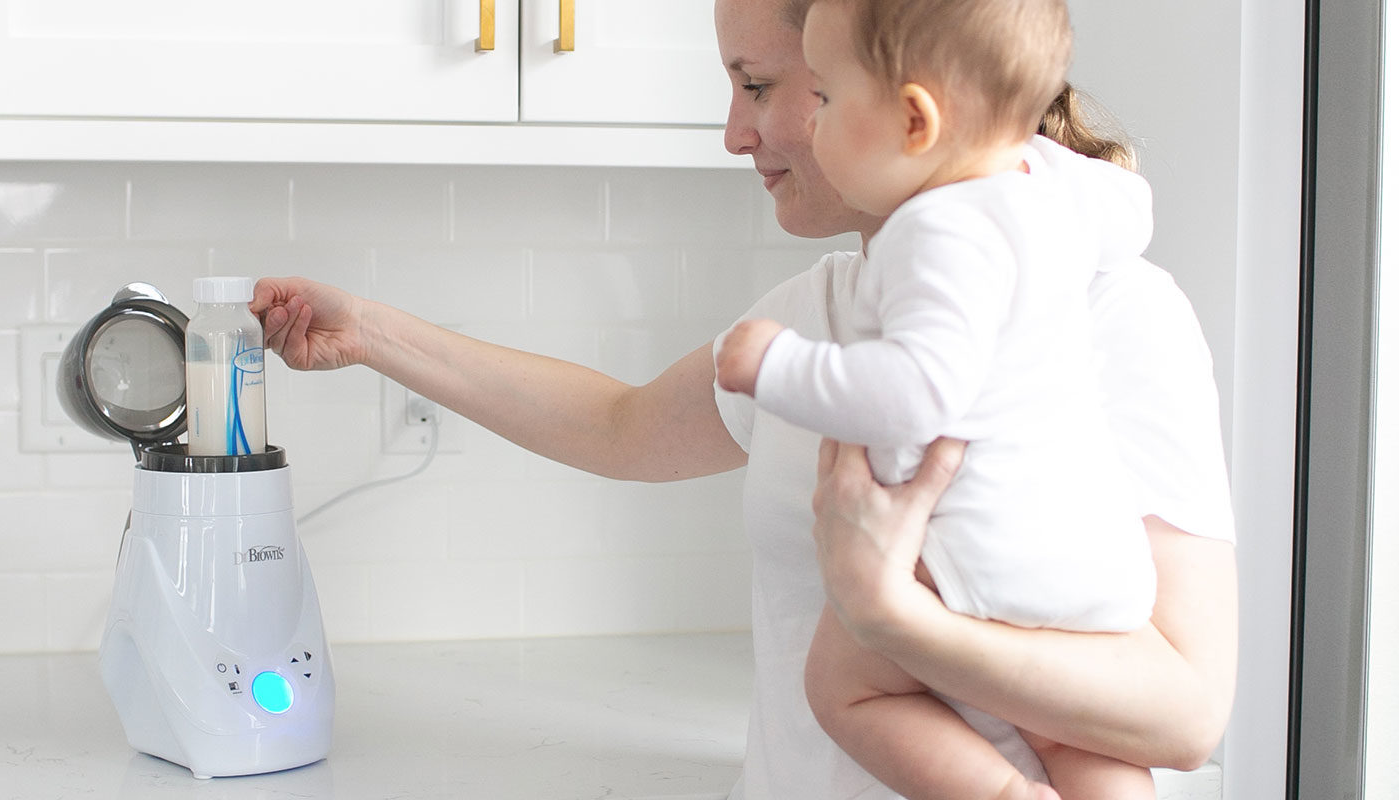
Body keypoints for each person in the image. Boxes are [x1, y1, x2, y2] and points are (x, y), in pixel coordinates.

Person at [248, 0, 1238, 796]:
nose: (733, 134)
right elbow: (619, 423)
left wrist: (890, 616)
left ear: (901, 100)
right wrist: (369, 331)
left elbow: (1185, 713)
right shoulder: (818, 314)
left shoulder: (1110, 313)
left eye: (759, 85)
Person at [713, 0, 1157, 796]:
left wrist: (779, 367)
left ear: (915, 122)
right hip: (1093, 568)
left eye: (824, 99)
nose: (808, 125)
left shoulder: (938, 232)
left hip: (979, 558)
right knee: (1080, 742)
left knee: (843, 685)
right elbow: (1131, 213)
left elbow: (918, 391)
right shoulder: (1053, 189)